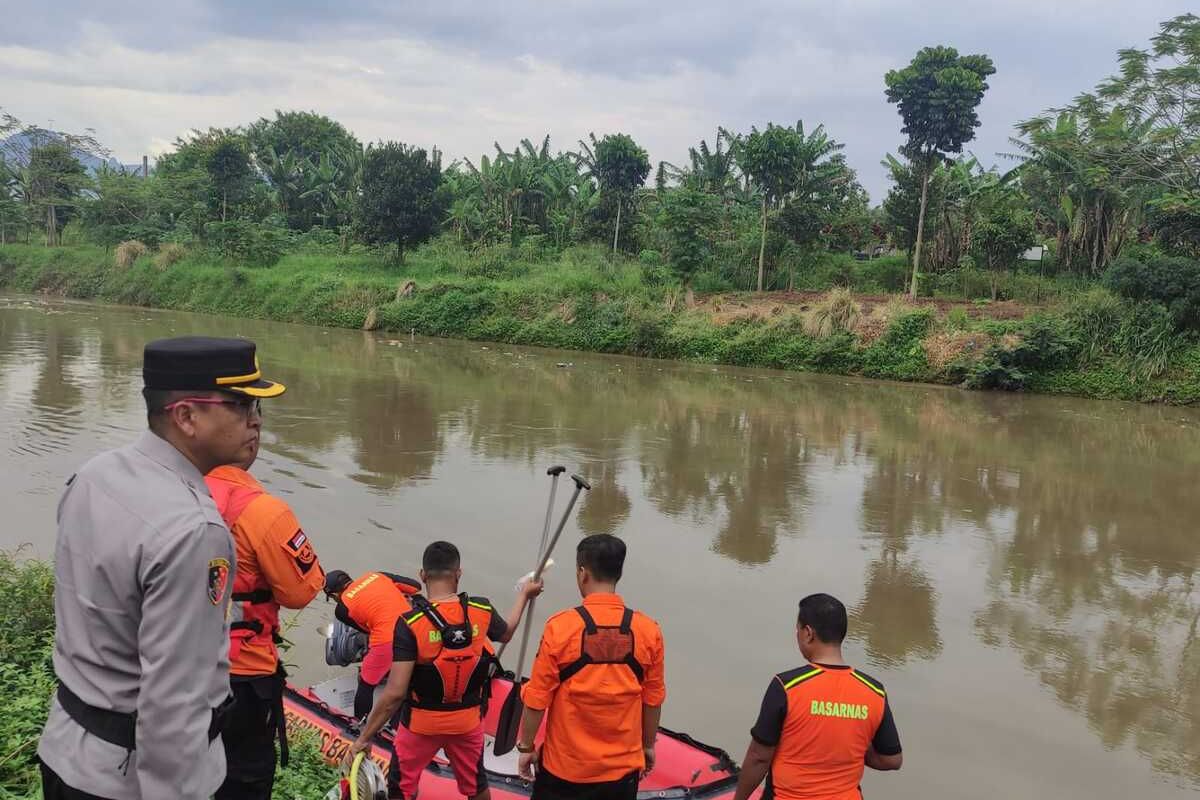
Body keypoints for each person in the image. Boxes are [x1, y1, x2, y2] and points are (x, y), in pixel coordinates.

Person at [38, 336, 286, 800]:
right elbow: (175, 704)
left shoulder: (95, 474)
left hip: (67, 748)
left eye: (256, 406)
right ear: (186, 416)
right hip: (129, 780)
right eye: (240, 405)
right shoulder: (194, 531)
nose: (256, 419)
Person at [347, 541, 544, 800]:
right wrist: (524, 596)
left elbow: (394, 694)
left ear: (422, 575)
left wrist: (364, 738)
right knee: (476, 786)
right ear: (458, 574)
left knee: (401, 788)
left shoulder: (409, 623)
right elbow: (506, 633)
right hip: (468, 722)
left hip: (420, 725)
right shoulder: (481, 609)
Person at [206, 437, 326, 799]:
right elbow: (302, 592)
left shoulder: (170, 495)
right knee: (243, 779)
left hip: (169, 665)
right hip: (241, 673)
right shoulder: (265, 512)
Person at [516, 534, 666, 800]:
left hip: (564, 771)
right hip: (621, 774)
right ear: (618, 573)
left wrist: (526, 747)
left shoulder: (560, 628)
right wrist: (647, 745)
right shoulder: (648, 631)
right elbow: (652, 699)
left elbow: (537, 698)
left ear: (583, 573)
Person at [730, 593, 902, 800]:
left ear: (808, 633)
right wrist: (853, 747)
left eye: (798, 630)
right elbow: (892, 760)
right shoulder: (874, 691)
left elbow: (759, 757)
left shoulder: (786, 686)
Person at [323, 569, 422, 718]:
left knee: (366, 685)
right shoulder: (376, 575)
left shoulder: (342, 609)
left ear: (335, 595)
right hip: (417, 628)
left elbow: (366, 629)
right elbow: (415, 587)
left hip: (388, 639)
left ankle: (358, 724)